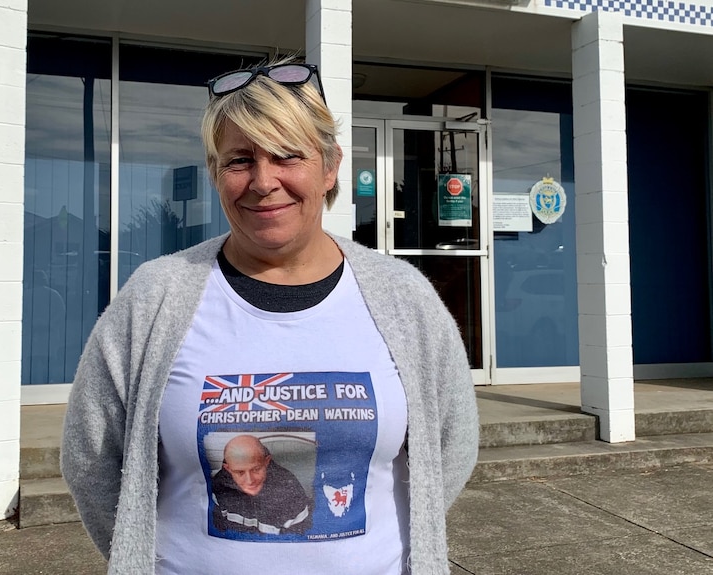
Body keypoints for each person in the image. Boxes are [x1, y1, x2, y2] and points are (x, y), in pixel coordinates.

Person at [61, 58, 479, 575]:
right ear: (216, 173)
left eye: (287, 155)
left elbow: (452, 446)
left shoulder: (403, 297)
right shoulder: (157, 295)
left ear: (330, 168)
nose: (263, 181)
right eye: (239, 160)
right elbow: (91, 457)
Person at [211, 435, 312, 535]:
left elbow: (299, 539)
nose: (249, 481)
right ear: (228, 468)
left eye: (256, 469)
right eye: (240, 472)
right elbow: (218, 531)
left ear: (266, 462)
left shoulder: (291, 492)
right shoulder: (218, 486)